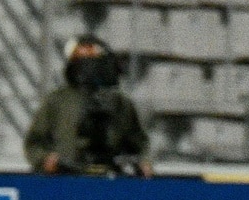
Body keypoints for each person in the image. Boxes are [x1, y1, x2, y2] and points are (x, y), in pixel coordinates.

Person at [24, 34, 153, 177]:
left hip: (109, 178)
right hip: (64, 178)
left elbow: (139, 144)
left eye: (92, 57)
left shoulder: (121, 104)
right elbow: (34, 143)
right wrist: (45, 160)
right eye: (80, 58)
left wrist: (143, 162)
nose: (87, 64)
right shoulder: (57, 101)